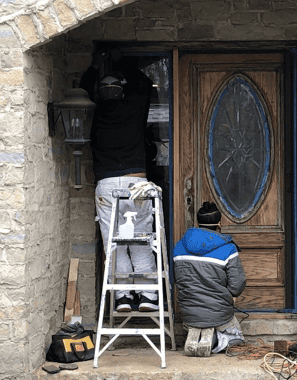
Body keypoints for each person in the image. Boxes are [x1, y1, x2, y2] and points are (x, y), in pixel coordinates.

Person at [80, 49, 159, 312]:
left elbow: (82, 91)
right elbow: (144, 84)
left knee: (114, 243)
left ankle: (123, 297)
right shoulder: (133, 108)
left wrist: (95, 66)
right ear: (120, 92)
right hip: (135, 185)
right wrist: (122, 63)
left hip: (106, 186)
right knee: (141, 241)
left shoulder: (96, 114)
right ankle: (147, 297)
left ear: (101, 95)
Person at [173, 202, 247, 354]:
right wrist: (232, 296)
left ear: (197, 223)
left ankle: (195, 334)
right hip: (219, 314)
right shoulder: (228, 248)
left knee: (197, 320)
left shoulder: (179, 247)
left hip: (188, 313)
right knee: (237, 339)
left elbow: (176, 279)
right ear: (219, 223)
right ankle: (214, 340)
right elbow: (237, 283)